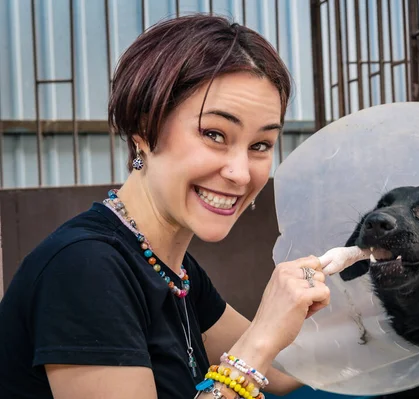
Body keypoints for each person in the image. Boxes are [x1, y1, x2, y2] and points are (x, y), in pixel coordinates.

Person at [0, 13, 331, 399]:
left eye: (260, 145)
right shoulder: (83, 269)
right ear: (145, 129)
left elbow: (285, 372)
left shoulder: (175, 270)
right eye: (214, 134)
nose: (241, 173)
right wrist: (257, 342)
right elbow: (259, 355)